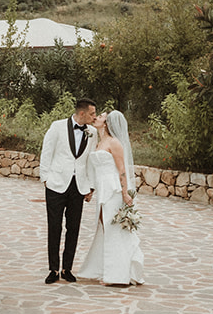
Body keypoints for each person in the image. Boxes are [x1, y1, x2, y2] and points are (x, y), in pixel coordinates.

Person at [77, 110, 145, 287]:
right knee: (103, 228)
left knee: (113, 230)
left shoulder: (115, 143)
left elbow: (122, 170)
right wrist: (91, 188)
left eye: (100, 117)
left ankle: (117, 275)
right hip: (102, 190)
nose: (96, 117)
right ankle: (103, 269)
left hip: (114, 190)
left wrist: (125, 193)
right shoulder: (100, 142)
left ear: (107, 123)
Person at [38, 98, 98, 284]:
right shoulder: (57, 127)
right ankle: (53, 269)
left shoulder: (92, 132)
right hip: (56, 185)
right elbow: (46, 152)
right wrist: (45, 179)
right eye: (92, 114)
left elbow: (91, 160)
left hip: (78, 186)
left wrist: (91, 186)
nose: (95, 117)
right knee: (54, 227)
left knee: (73, 228)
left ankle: (67, 268)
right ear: (82, 113)